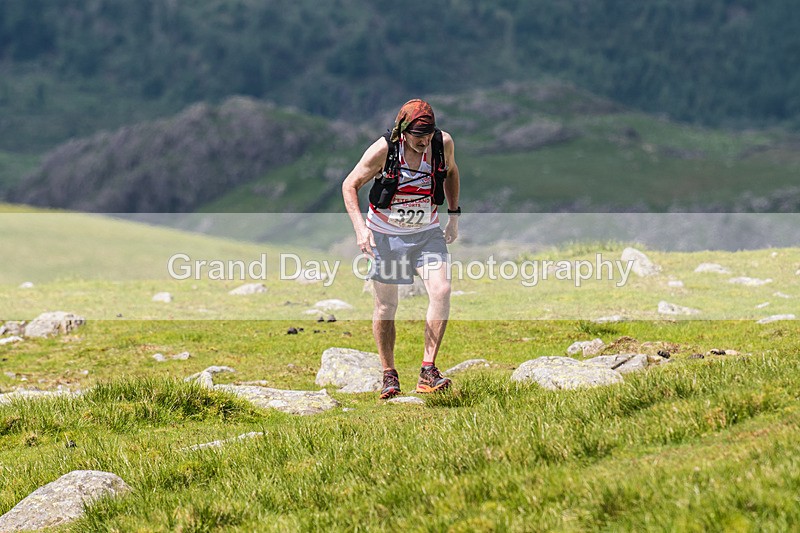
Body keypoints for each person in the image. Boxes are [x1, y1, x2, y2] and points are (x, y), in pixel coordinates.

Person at [342, 99, 461, 399]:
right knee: (386, 307)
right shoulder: (384, 150)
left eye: (428, 136)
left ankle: (428, 371)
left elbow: (452, 174)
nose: (424, 144)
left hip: (426, 235)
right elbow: (349, 185)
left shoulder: (441, 143)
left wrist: (454, 217)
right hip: (386, 237)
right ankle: (388, 375)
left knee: (442, 291)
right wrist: (361, 229)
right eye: (418, 138)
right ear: (403, 132)